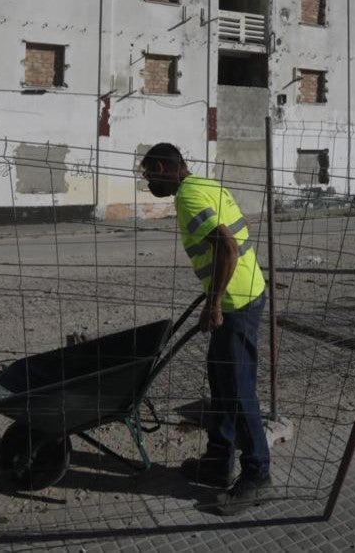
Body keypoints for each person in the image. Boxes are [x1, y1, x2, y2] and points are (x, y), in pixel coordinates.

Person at [140, 142, 271, 515]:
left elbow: (227, 248)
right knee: (221, 381)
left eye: (150, 174)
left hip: (236, 303)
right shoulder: (207, 185)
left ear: (166, 168)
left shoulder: (188, 199)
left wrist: (214, 302)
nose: (149, 183)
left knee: (238, 389)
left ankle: (258, 476)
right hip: (244, 291)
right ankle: (217, 463)